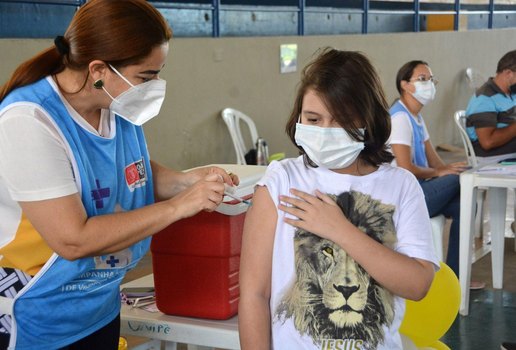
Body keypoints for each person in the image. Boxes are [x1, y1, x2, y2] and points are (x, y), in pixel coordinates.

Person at [0, 1, 238, 349]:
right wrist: (178, 206)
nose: (154, 86)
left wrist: (186, 182)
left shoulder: (114, 104)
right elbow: (72, 239)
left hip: (99, 305)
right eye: (146, 76)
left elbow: (131, 171)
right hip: (39, 319)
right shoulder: (28, 122)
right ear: (98, 70)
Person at [238, 48, 438, 350]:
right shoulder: (281, 180)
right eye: (314, 118)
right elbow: (254, 294)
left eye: (342, 120)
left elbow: (418, 284)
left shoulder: (400, 185)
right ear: (299, 117)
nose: (325, 131)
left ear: (368, 118)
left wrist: (340, 230)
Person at [388, 60, 486, 291]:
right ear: (405, 85)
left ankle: (455, 277)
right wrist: (443, 173)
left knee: (465, 204)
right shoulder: (399, 118)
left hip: (422, 190)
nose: (429, 84)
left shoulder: (417, 118)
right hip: (405, 197)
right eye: (422, 79)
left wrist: (449, 169)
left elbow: (436, 161)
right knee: (457, 179)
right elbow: (405, 168)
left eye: (431, 79)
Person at [465, 50, 516, 164]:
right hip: (491, 158)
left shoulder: (511, 93)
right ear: (508, 74)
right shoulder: (484, 99)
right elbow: (488, 142)